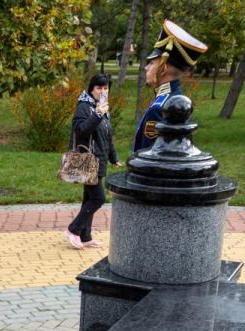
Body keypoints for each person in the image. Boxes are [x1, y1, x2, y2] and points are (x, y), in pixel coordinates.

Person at [63, 73, 121, 250]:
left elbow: (106, 136)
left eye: (105, 88)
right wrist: (97, 114)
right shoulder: (84, 107)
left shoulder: (102, 108)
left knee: (88, 198)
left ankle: (85, 236)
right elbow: (80, 131)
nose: (102, 91)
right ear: (91, 89)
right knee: (98, 198)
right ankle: (73, 230)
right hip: (88, 160)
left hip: (99, 160)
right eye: (99, 88)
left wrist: (114, 157)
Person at [133, 19, 207, 153]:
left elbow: (147, 158)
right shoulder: (177, 98)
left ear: (163, 68)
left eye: (151, 64)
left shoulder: (159, 108)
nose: (145, 68)